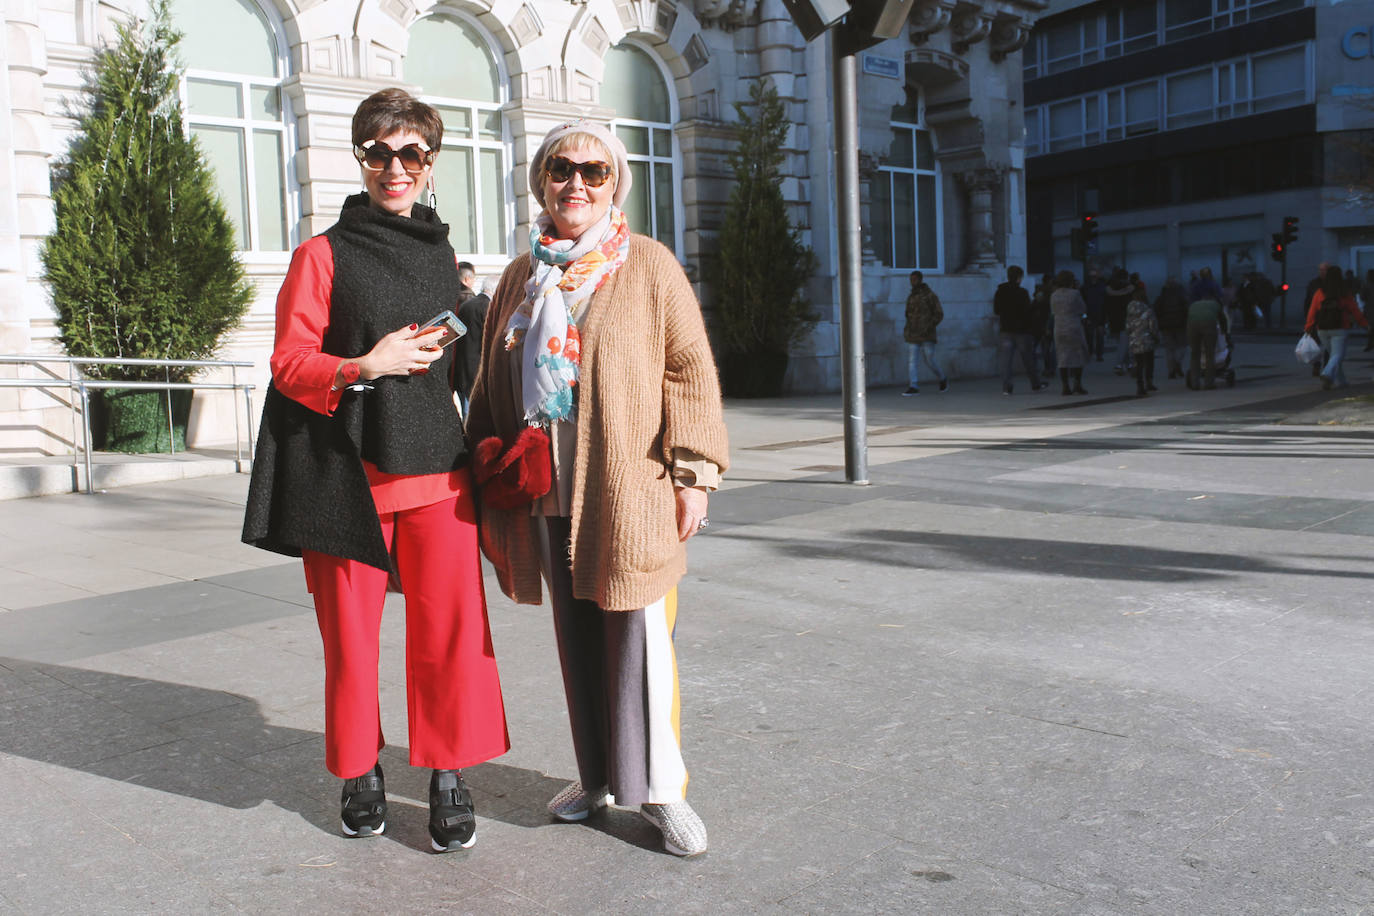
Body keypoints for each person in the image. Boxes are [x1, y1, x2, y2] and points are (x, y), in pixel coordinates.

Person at [241, 89, 508, 853]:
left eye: (412, 153)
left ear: (432, 162)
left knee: (451, 637)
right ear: (359, 159)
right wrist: (366, 363)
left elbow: (476, 362)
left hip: (440, 480)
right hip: (345, 479)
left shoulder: (445, 261)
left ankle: (449, 774)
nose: (396, 168)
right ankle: (361, 770)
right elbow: (289, 362)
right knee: (351, 640)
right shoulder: (319, 255)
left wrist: (479, 307)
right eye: (379, 153)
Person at [464, 119, 729, 858]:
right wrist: (478, 462)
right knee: (578, 639)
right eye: (561, 169)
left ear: (615, 184)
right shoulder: (524, 275)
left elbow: (689, 370)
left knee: (640, 637)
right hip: (547, 487)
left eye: (594, 171)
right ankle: (601, 777)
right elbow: (491, 376)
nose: (575, 183)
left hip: (629, 487)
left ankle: (663, 792)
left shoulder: (646, 264)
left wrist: (694, 474)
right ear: (541, 180)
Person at [1305, 269, 1369, 389]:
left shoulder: (1320, 292)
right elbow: (1355, 311)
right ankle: (1327, 373)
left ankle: (1341, 382)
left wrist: (1308, 326)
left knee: (1334, 356)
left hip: (1322, 329)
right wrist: (1365, 324)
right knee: (1337, 355)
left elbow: (1312, 311)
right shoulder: (1344, 293)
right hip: (1340, 328)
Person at [993, 265, 1044, 395]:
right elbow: (1027, 312)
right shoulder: (1022, 293)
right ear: (1019, 278)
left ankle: (1007, 387)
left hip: (1006, 329)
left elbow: (997, 310)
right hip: (1022, 330)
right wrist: (1036, 303)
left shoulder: (1000, 291)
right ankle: (1035, 384)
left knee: (1006, 360)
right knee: (1028, 359)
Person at [903, 270, 948, 395]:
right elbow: (908, 313)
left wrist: (929, 325)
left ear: (920, 280)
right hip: (913, 333)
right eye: (911, 280)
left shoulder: (929, 295)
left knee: (929, 359)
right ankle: (914, 385)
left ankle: (942, 378)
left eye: (915, 279)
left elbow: (939, 313)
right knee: (912, 360)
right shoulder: (911, 296)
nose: (912, 282)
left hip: (927, 333)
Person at [453, 274, 494, 410]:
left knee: (467, 412)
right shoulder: (488, 307)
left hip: (461, 369)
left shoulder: (466, 304)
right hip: (477, 372)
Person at [1050, 270, 1089, 395]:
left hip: (1059, 327)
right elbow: (1082, 308)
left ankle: (1065, 386)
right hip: (1073, 327)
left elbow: (1053, 311)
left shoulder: (1054, 295)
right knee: (1078, 355)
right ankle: (1077, 384)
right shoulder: (1075, 294)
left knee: (1062, 357)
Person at [1186, 286, 1228, 390]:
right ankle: (1209, 383)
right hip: (1209, 327)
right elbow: (1223, 320)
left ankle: (1194, 383)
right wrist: (1225, 332)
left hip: (1192, 327)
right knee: (1210, 354)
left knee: (1195, 354)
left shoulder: (1193, 304)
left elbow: (1188, 317)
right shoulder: (1215, 304)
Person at [1126, 287, 1160, 397]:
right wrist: (1156, 337)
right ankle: (1149, 382)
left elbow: (1127, 327)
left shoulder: (1129, 311)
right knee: (1149, 361)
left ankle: (1139, 386)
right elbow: (1152, 326)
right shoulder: (1148, 310)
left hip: (1134, 340)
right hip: (1147, 340)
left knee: (1139, 363)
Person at [1153, 277, 1189, 379]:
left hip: (1165, 326)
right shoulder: (1181, 295)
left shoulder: (1161, 296)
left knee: (1169, 349)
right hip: (1180, 324)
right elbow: (1186, 308)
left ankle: (1171, 371)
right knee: (1182, 346)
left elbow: (1156, 309)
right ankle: (1177, 363)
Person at [1104, 268, 1134, 375]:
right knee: (1125, 344)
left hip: (1113, 319)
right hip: (1125, 318)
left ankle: (1127, 364)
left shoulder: (1108, 288)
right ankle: (1120, 364)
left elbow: (1105, 305)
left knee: (1121, 343)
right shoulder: (1129, 288)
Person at [1031, 272, 1056, 376]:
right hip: (1047, 323)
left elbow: (1033, 307)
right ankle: (1050, 368)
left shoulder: (1041, 293)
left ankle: (1047, 368)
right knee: (1048, 348)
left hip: (1040, 324)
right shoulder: (1051, 293)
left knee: (1044, 348)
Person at [1080, 269, 1106, 362]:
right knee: (1090, 336)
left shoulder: (1099, 287)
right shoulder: (1087, 288)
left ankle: (1097, 354)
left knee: (1098, 336)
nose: (1094, 278)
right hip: (1092, 315)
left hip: (1098, 315)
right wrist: (1084, 316)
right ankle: (1092, 353)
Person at [1359, 269, 1374, 352]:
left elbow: (1362, 297)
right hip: (1370, 309)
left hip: (1369, 309)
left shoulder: (1366, 285)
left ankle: (1370, 343)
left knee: (1370, 326)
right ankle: (1371, 343)